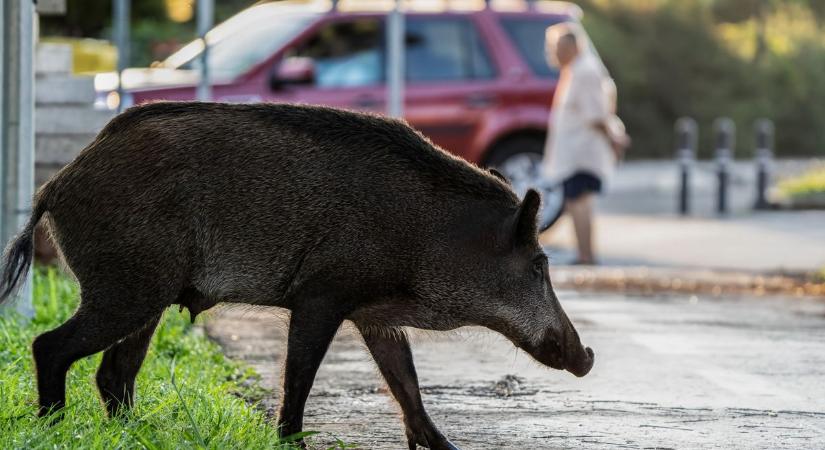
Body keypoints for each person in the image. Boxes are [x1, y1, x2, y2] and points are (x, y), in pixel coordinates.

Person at [542, 23, 629, 265]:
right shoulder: (575, 70)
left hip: (582, 153)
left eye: (556, 47)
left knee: (579, 201)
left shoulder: (585, 72)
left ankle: (586, 255)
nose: (552, 53)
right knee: (578, 202)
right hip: (574, 152)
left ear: (570, 47)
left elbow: (597, 114)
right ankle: (585, 253)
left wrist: (613, 139)